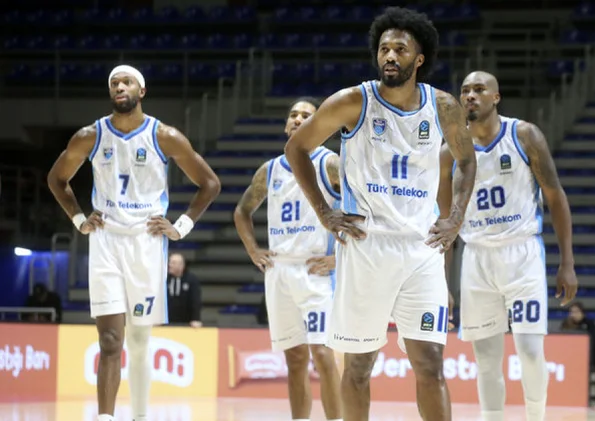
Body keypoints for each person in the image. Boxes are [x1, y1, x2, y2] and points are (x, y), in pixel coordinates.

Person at [283, 7, 477, 421]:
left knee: (429, 364)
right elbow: (296, 149)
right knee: (358, 366)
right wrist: (324, 212)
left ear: (418, 59)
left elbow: (467, 161)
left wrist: (456, 216)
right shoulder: (353, 101)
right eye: (384, 49)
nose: (390, 56)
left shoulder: (443, 106)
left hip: (422, 250)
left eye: (400, 50)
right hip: (366, 247)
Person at [46, 65, 221, 421]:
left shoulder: (165, 135)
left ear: (142, 91)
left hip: (146, 241)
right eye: (114, 83)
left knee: (140, 341)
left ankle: (140, 416)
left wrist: (181, 226)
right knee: (110, 341)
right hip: (106, 240)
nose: (119, 87)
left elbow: (210, 183)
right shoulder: (89, 136)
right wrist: (80, 220)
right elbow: (57, 179)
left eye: (126, 82)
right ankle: (106, 417)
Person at [437, 71, 578, 421]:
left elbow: (556, 197)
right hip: (476, 258)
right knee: (485, 359)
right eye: (465, 90)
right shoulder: (448, 152)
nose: (470, 95)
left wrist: (567, 263)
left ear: (496, 97)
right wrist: (442, 284)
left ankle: (536, 416)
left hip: (522, 253)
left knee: (529, 350)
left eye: (479, 89)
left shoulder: (524, 135)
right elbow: (445, 224)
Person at [233, 97, 343, 421]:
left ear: (319, 125)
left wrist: (340, 256)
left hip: (316, 270)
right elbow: (242, 212)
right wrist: (253, 250)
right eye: (293, 115)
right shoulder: (269, 170)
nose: (298, 119)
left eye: (306, 115)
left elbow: (365, 208)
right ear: (285, 125)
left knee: (322, 354)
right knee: (294, 359)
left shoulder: (330, 163)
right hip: (280, 271)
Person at [165, 252, 203, 327]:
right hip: (166, 322)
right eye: (170, 262)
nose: (169, 265)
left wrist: (196, 319)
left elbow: (195, 301)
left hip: (186, 323)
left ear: (181, 265)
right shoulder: (164, 279)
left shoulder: (192, 280)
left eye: (173, 263)